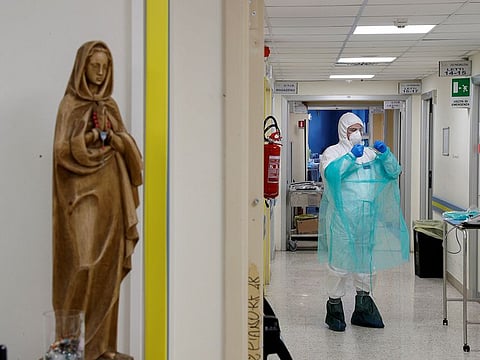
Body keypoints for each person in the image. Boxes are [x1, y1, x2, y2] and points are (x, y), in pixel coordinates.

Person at [52, 41, 143, 360]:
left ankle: (102, 348)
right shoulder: (69, 106)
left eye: (106, 66)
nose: (101, 72)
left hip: (111, 196)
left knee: (107, 268)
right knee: (82, 264)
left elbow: (128, 147)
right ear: (82, 67)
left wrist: (116, 139)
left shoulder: (111, 107)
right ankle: (70, 348)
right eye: (95, 66)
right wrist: (89, 138)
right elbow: (61, 152)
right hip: (80, 196)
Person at [317, 112, 409, 332]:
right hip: (341, 218)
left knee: (366, 264)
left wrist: (386, 155)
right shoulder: (333, 153)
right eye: (352, 130)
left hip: (366, 218)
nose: (357, 134)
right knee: (338, 264)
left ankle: (363, 308)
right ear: (343, 131)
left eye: (359, 129)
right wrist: (350, 158)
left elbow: (394, 171)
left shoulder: (369, 154)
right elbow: (331, 174)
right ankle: (335, 309)